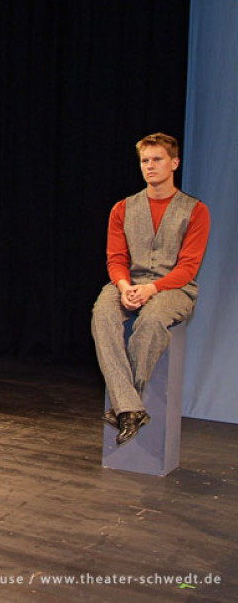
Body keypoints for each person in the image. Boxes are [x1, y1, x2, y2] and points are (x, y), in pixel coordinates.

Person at [92, 133, 210, 445]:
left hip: (175, 286)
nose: (150, 166)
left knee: (152, 321)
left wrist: (152, 289)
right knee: (102, 314)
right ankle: (131, 408)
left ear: (174, 163)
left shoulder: (195, 210)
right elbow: (116, 258)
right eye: (145, 161)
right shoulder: (123, 208)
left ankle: (124, 404)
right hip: (129, 280)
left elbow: (188, 267)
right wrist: (125, 285)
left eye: (157, 159)